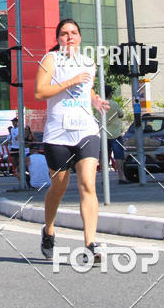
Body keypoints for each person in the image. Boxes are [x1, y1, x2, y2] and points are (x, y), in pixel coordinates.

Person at [35, 18, 109, 265]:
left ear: (79, 37)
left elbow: (86, 89)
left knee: (88, 183)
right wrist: (69, 81)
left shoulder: (89, 62)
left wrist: (95, 100)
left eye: (74, 33)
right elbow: (40, 92)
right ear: (58, 39)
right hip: (58, 134)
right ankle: (49, 229)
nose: (69, 37)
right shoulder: (50, 60)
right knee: (59, 187)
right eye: (64, 34)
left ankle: (90, 243)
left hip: (86, 130)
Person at [104, 85, 128, 183]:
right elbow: (121, 114)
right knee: (118, 156)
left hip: (104, 134)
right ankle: (121, 176)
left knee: (105, 156)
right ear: (110, 94)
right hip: (115, 133)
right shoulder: (114, 104)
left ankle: (104, 178)